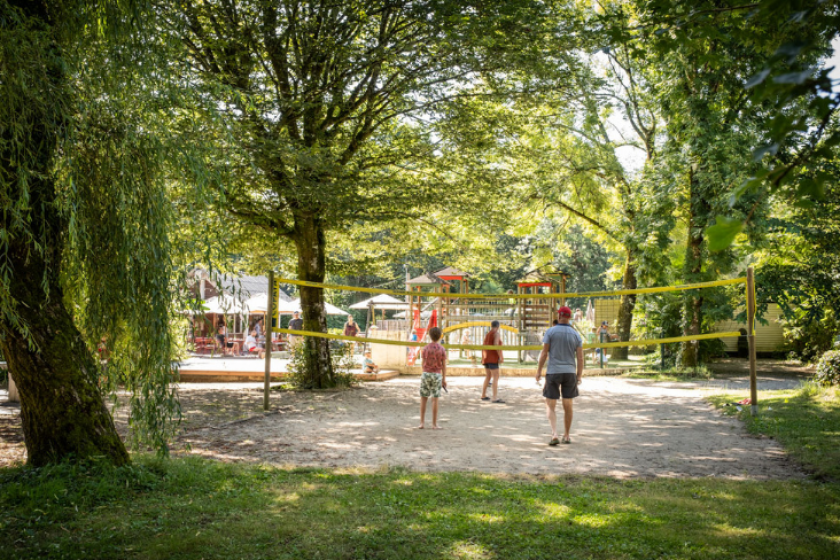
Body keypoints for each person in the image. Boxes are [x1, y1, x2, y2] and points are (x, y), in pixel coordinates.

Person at [536, 306, 584, 446]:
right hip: (569, 372)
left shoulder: (551, 331)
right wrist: (579, 375)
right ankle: (567, 435)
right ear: (569, 317)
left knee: (550, 404)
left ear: (559, 315)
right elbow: (580, 358)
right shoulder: (575, 334)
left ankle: (554, 433)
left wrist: (539, 371)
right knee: (568, 405)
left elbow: (544, 353)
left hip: (553, 371)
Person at [418, 326, 447, 429]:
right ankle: (434, 424)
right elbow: (444, 365)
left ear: (429, 336)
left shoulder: (425, 348)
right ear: (440, 336)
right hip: (437, 374)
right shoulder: (442, 349)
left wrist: (424, 372)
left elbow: (423, 363)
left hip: (426, 373)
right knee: (435, 399)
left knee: (423, 398)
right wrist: (444, 379)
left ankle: (422, 423)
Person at [480, 321, 505, 402]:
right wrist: (500, 356)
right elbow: (495, 344)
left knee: (488, 376)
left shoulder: (488, 334)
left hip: (486, 357)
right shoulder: (496, 334)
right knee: (496, 376)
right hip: (492, 358)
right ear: (498, 326)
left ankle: (483, 395)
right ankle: (494, 397)